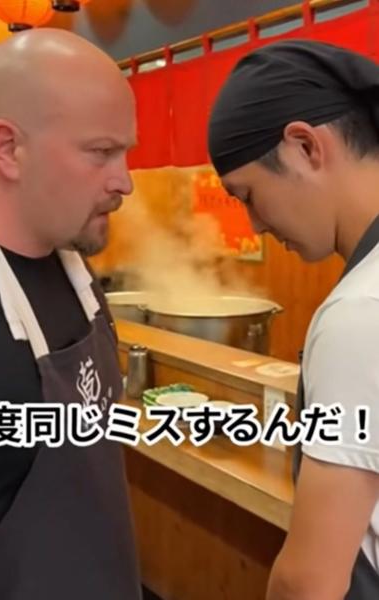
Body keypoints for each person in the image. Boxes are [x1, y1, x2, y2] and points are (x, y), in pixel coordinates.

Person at [0, 28, 142, 599]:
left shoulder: (74, 270)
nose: (124, 181)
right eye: (100, 152)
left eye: (125, 152)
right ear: (9, 148)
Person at [208, 40, 379, 600]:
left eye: (248, 195)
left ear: (305, 146)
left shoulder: (360, 312)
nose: (255, 225)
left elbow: (309, 582)